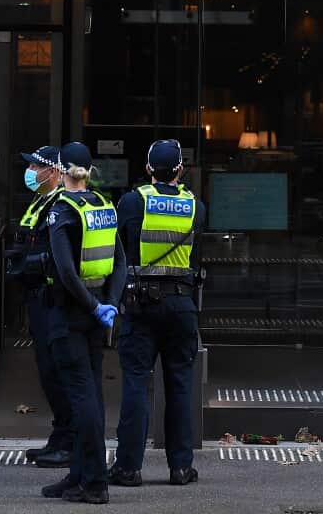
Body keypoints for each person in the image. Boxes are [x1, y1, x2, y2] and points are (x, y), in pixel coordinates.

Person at [109, 139, 206, 487]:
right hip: (182, 304)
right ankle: (181, 468)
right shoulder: (196, 206)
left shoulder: (133, 202)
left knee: (136, 383)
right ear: (180, 169)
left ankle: (128, 468)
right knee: (180, 386)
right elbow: (196, 256)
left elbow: (119, 248)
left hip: (141, 305)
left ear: (148, 168)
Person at [39, 142, 127, 505]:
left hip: (70, 313)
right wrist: (109, 305)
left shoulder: (61, 209)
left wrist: (92, 306)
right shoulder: (103, 205)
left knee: (82, 398)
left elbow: (65, 271)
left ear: (61, 170)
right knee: (91, 395)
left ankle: (93, 482)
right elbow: (120, 262)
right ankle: (79, 475)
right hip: (96, 313)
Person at [6, 145, 72, 469]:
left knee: (58, 372)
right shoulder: (41, 201)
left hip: (52, 300)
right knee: (47, 372)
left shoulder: (61, 204)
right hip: (37, 298)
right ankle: (59, 437)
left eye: (36, 166)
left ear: (54, 172)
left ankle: (68, 442)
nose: (31, 171)